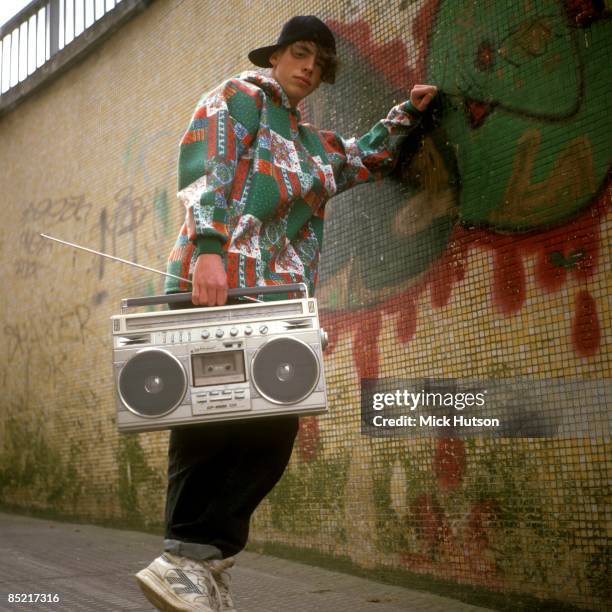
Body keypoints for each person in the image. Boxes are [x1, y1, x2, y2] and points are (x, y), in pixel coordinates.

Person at [136, 15, 437, 612]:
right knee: (208, 423)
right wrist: (209, 252)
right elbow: (205, 170)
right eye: (300, 54)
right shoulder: (238, 98)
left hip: (276, 304)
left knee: (274, 428)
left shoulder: (309, 146)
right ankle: (184, 562)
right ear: (275, 56)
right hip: (217, 284)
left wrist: (409, 111)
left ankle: (203, 563)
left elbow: (363, 157)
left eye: (320, 64)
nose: (309, 68)